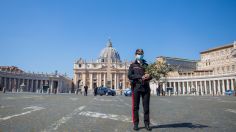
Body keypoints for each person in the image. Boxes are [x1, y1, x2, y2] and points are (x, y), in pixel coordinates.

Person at [128, 49, 152, 131]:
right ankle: (136, 124)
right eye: (138, 53)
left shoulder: (146, 65)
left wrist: (149, 76)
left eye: (141, 53)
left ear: (143, 55)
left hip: (145, 88)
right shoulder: (132, 65)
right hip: (136, 87)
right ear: (135, 55)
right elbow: (130, 76)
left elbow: (151, 76)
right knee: (135, 107)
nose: (140, 55)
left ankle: (147, 123)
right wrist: (139, 77)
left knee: (146, 107)